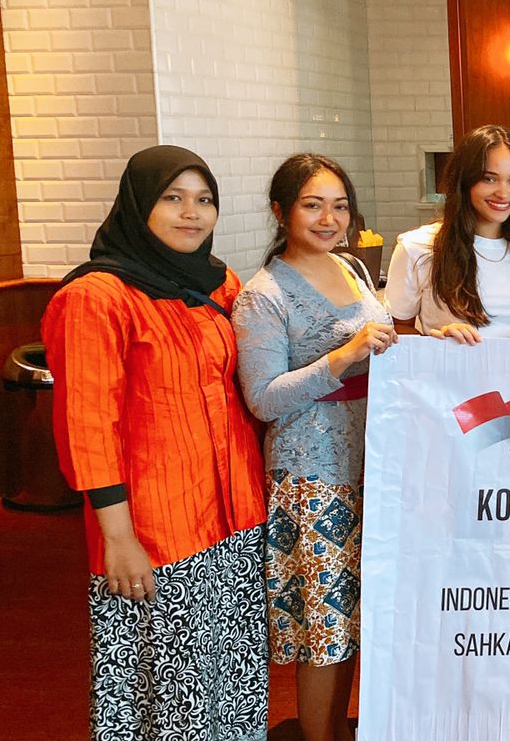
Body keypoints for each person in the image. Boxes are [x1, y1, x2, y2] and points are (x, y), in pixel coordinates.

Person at [41, 146, 269, 739]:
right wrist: (118, 539)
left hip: (234, 515)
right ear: (138, 204)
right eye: (173, 198)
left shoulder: (219, 283)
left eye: (204, 199)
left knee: (232, 681)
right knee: (169, 695)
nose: (191, 213)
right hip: (155, 528)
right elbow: (87, 427)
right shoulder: (96, 298)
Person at [231, 155, 395, 741]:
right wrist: (342, 358)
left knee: (357, 618)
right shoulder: (263, 295)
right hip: (312, 474)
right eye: (313, 205)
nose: (329, 218)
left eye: (340, 206)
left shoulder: (350, 266)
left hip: (372, 460)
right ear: (281, 211)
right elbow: (263, 399)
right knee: (325, 629)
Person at [386, 124, 510, 344]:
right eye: (489, 178)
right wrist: (438, 341)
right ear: (465, 181)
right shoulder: (418, 247)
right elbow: (396, 330)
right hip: (451, 367)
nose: (503, 193)